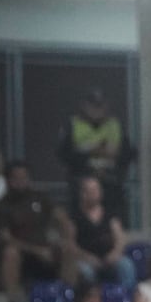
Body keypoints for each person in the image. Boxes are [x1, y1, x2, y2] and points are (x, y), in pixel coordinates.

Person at [0, 160, 70, 302]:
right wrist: (38, 251)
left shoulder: (39, 198)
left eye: (24, 177)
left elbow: (60, 218)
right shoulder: (1, 206)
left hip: (46, 250)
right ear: (8, 181)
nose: (21, 182)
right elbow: (5, 238)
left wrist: (65, 238)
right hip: (22, 252)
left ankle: (68, 298)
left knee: (68, 250)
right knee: (10, 253)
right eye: (16, 178)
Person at [57, 87, 135, 225]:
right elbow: (63, 154)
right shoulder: (73, 124)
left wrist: (116, 155)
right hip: (82, 186)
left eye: (100, 105)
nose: (97, 110)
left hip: (111, 184)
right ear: (84, 106)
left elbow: (130, 153)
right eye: (93, 105)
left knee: (116, 223)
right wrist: (90, 153)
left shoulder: (115, 125)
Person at [67, 175, 137, 289]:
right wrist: (87, 257)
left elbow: (120, 238)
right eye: (89, 190)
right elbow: (70, 244)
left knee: (126, 265)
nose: (93, 193)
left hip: (110, 258)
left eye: (95, 190)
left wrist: (114, 254)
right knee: (85, 271)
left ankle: (126, 300)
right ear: (82, 193)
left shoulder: (110, 214)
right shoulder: (74, 217)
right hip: (86, 259)